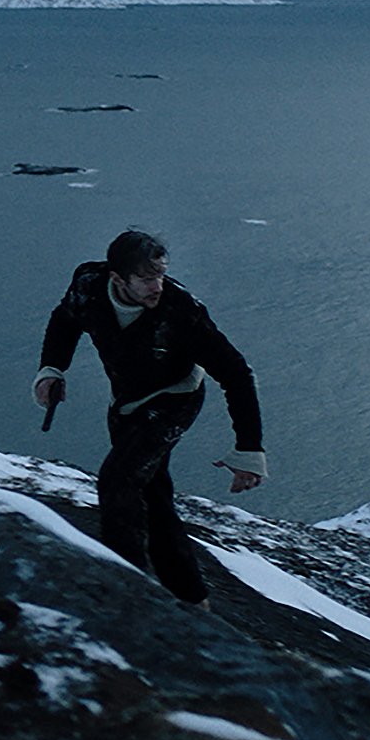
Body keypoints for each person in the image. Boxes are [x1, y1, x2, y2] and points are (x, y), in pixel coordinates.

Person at [34, 229, 263, 604]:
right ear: (117, 278)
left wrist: (249, 450)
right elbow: (65, 319)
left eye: (160, 275)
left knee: (118, 481)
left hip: (175, 400)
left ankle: (131, 593)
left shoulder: (181, 311)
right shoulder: (89, 285)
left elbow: (236, 373)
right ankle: (191, 598)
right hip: (126, 404)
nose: (157, 286)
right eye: (146, 278)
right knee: (152, 498)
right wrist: (52, 369)